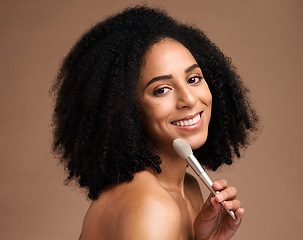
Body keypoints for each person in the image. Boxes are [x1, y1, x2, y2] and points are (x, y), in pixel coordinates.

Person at [51, 5, 259, 240]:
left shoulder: (187, 188)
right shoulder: (151, 205)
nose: (189, 99)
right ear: (126, 109)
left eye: (193, 78)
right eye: (161, 90)